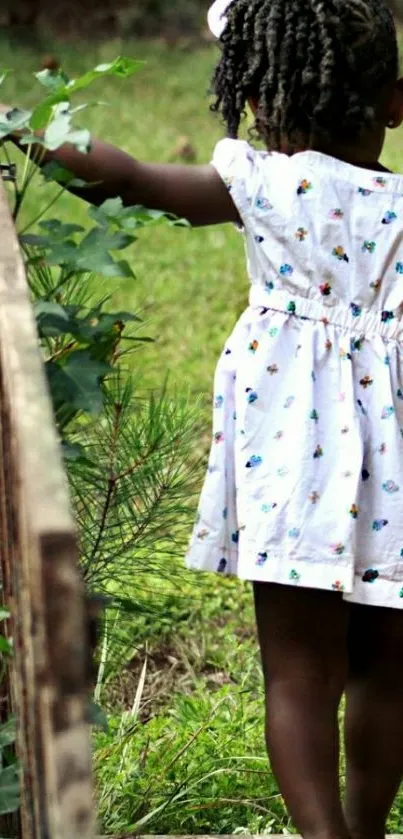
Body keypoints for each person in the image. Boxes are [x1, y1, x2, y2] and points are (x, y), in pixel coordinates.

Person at [5, 1, 403, 836]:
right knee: (386, 671)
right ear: (396, 102)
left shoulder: (262, 181)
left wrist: (28, 126)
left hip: (294, 449)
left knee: (297, 674)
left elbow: (128, 179)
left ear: (255, 104)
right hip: (394, 462)